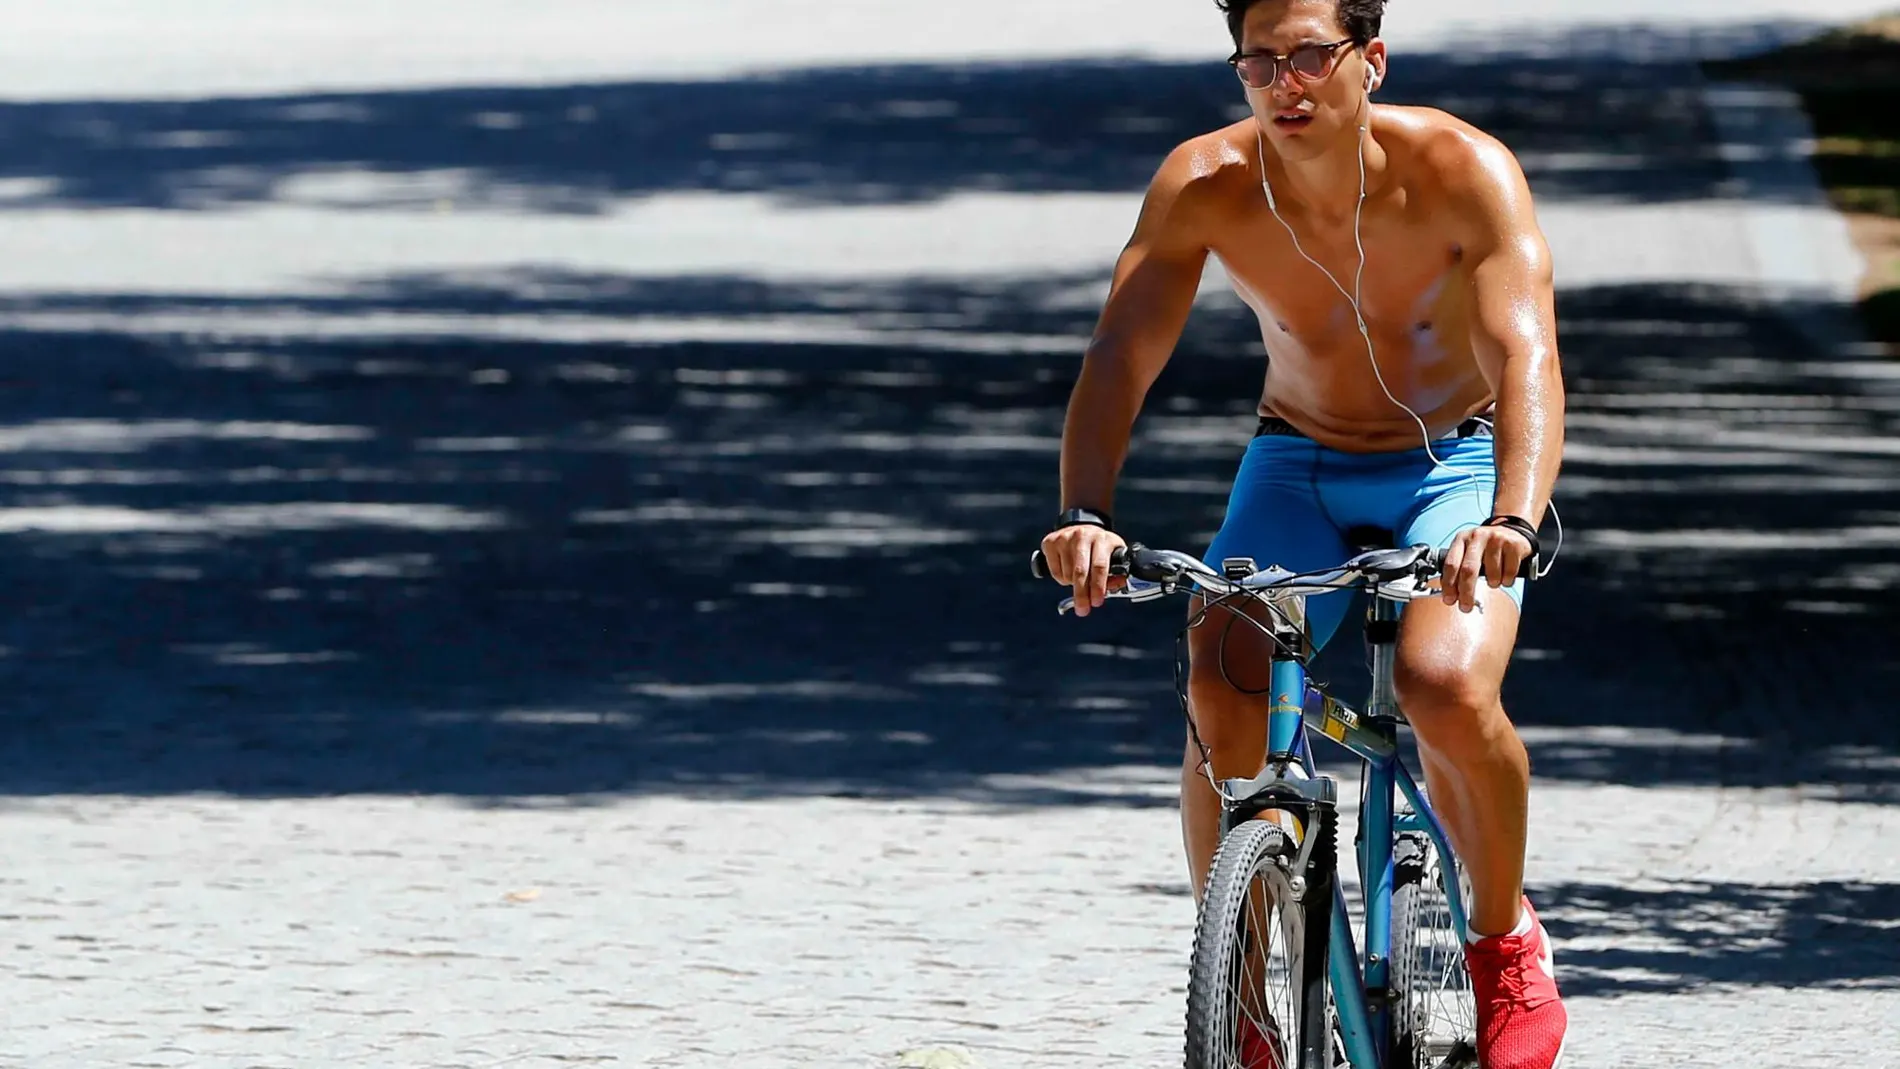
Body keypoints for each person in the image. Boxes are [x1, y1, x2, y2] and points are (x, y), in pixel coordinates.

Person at [1036, 0, 1568, 1065]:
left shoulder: (1464, 169)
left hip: (1453, 465)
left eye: (1312, 55)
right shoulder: (1204, 183)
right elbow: (1119, 354)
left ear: (1369, 60)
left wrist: (1510, 515)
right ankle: (1236, 973)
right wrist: (1085, 514)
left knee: (1442, 684)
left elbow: (1525, 357)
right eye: (1260, 60)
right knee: (1219, 672)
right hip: (1298, 461)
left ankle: (1502, 937)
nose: (1285, 81)